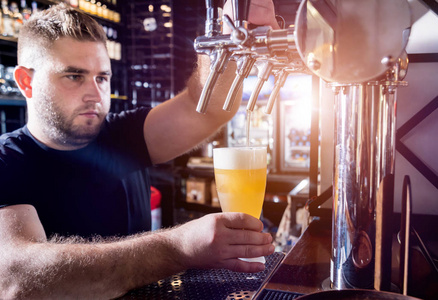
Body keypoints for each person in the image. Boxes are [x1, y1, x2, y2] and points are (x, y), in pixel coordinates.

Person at [0, 1, 280, 299]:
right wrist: (177, 247)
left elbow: (207, 108)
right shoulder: (9, 160)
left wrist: (231, 33)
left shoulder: (122, 135)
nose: (95, 95)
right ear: (26, 82)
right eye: (74, 76)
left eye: (102, 78)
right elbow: (18, 277)